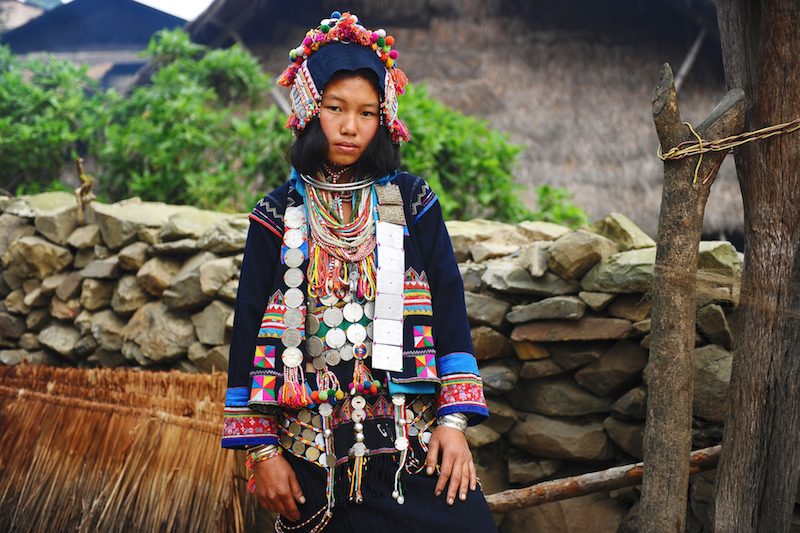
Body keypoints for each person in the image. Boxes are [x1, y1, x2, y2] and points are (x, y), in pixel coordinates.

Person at [221, 11, 498, 533]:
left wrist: (453, 423)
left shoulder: (413, 201)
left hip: (409, 446)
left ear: (384, 119)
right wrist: (261, 451)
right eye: (335, 108)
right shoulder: (276, 213)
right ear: (309, 109)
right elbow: (249, 321)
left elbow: (449, 304)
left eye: (367, 113)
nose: (351, 126)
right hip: (312, 453)